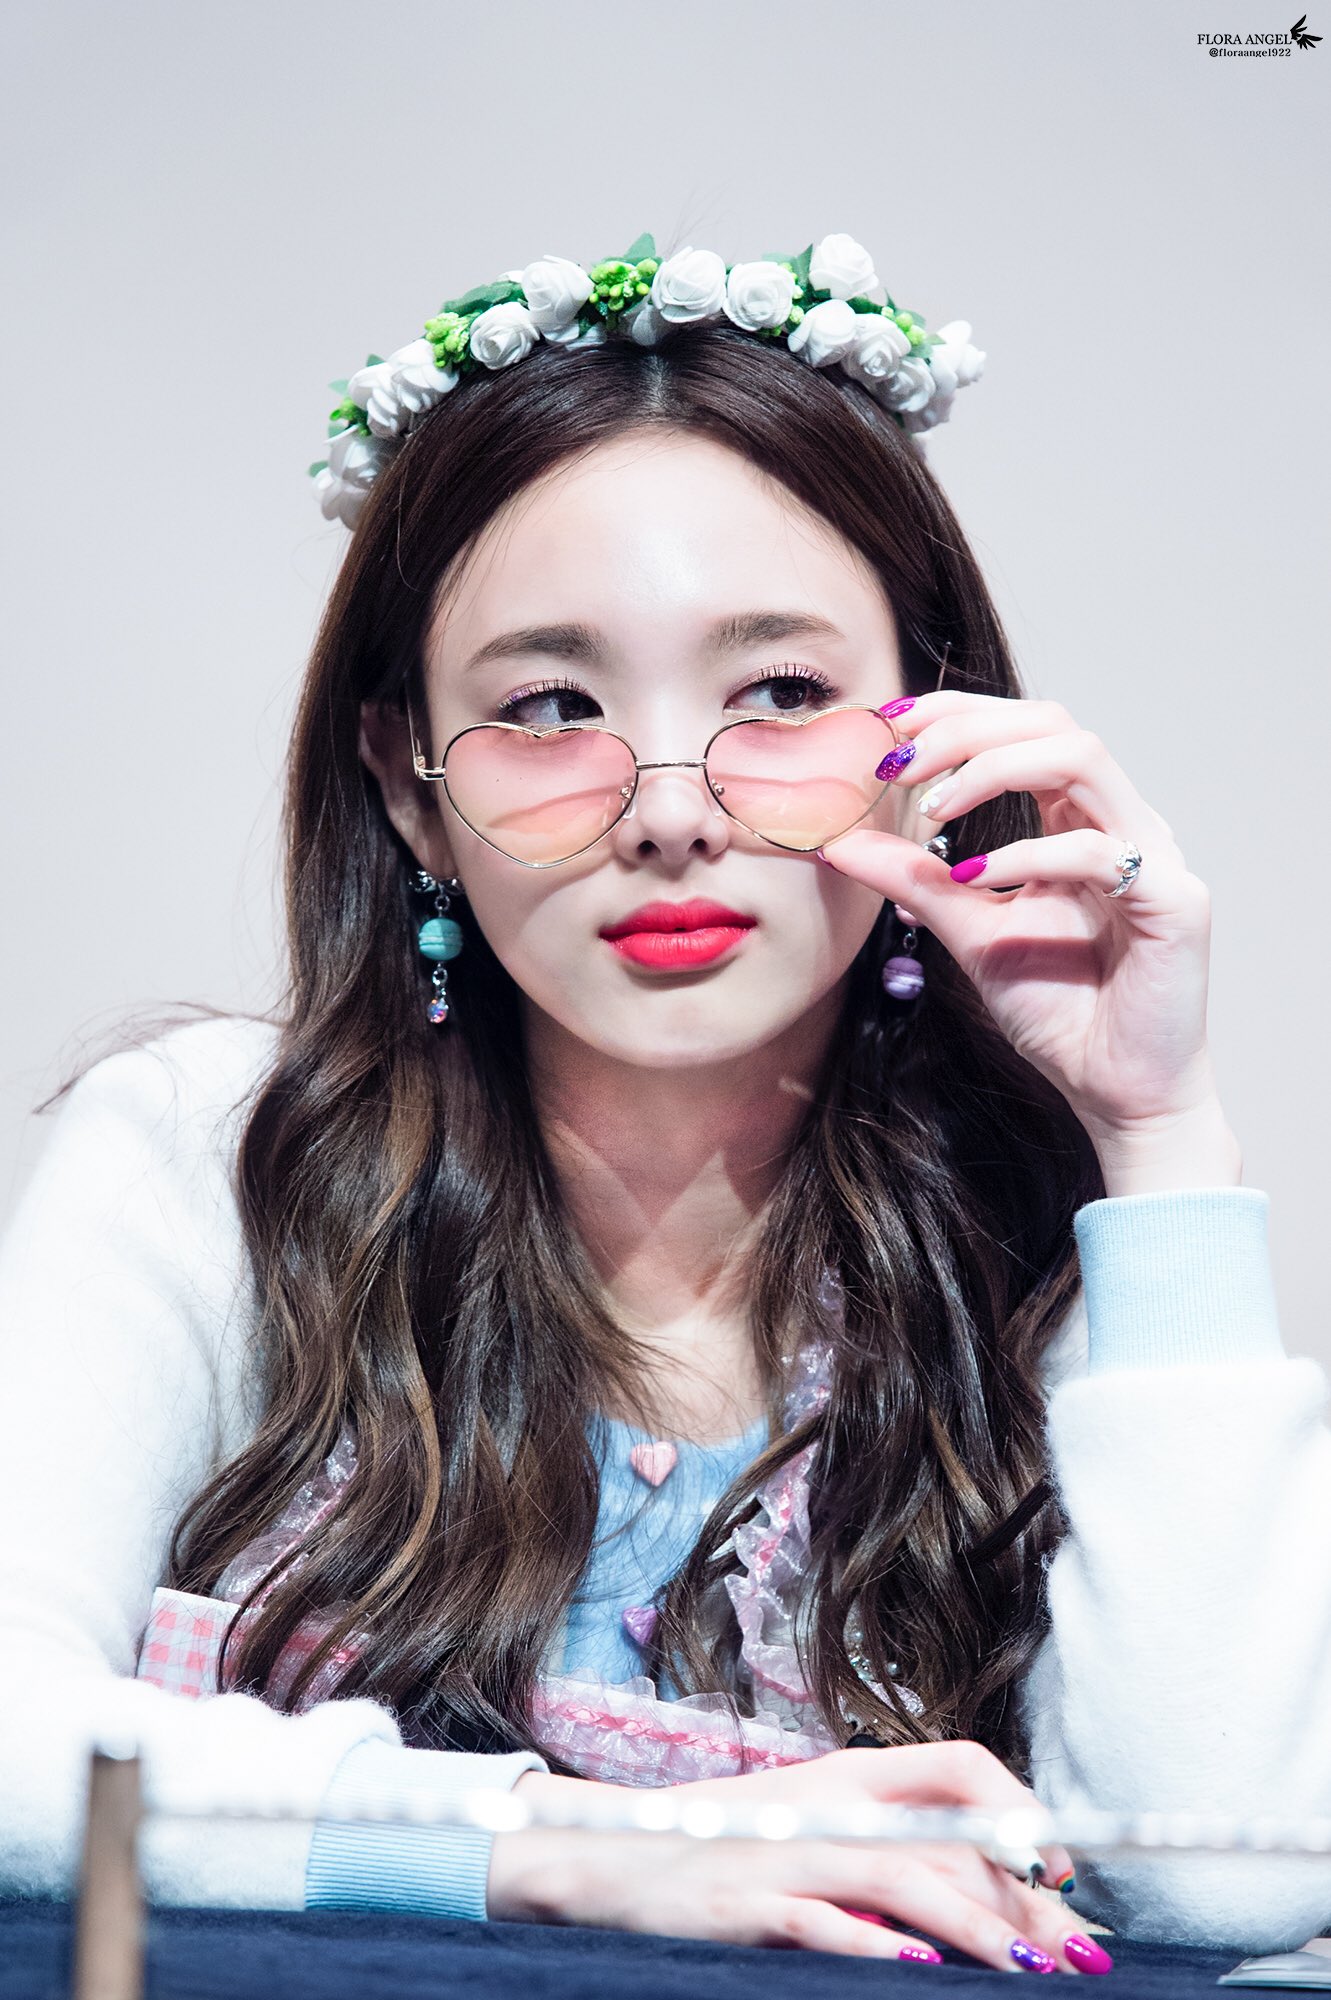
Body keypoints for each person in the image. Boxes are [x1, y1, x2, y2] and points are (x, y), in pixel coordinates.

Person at [1, 231, 1327, 1974]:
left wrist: (1157, 1140)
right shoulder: (206, 1155)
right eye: (551, 706)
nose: (672, 811)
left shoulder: (1043, 1234)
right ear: (409, 787)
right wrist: (592, 1848)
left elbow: (1229, 1881)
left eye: (781, 694)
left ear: (933, 735)